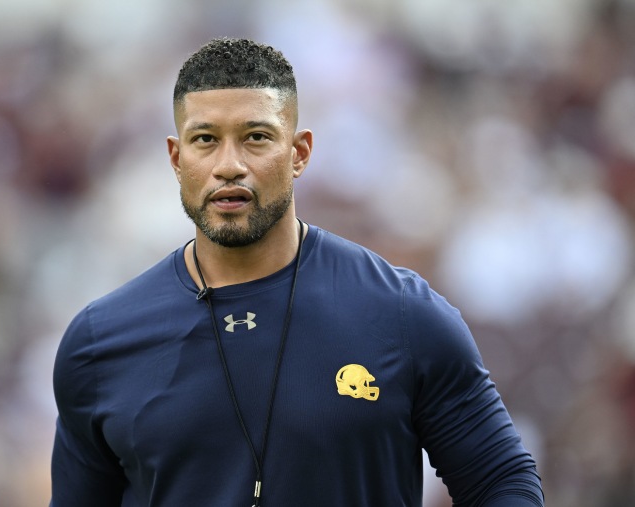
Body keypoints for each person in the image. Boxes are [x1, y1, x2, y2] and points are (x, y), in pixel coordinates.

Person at [50, 37, 544, 506]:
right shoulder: (100, 343)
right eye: (205, 140)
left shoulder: (401, 314)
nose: (229, 165)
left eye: (256, 138)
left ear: (299, 153)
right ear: (178, 159)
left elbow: (503, 480)